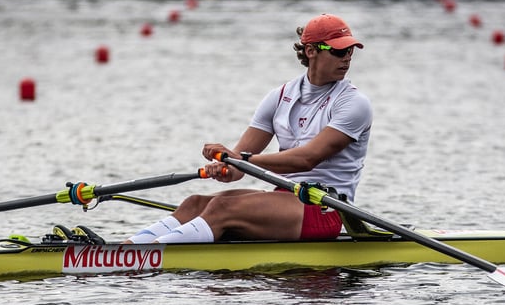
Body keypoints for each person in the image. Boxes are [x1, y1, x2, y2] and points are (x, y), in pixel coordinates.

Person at [126, 13, 372, 244]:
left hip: (326, 210)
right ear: (311, 51)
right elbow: (237, 169)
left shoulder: (353, 104)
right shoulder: (280, 97)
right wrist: (226, 167)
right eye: (339, 50)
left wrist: (241, 159)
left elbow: (306, 159)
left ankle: (145, 258)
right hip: (285, 199)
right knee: (194, 203)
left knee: (222, 209)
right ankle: (128, 249)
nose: (347, 57)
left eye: (350, 50)